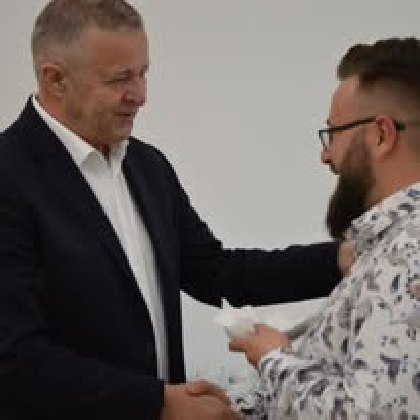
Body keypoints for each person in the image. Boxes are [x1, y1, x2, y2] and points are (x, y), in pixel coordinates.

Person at [0, 1, 345, 419]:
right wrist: (158, 403)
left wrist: (342, 259)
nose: (140, 95)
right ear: (55, 79)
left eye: (143, 73)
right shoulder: (9, 175)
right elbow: (15, 359)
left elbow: (216, 273)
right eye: (119, 79)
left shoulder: (148, 167)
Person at [229, 37, 420, 418]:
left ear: (381, 135)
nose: (325, 155)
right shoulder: (386, 249)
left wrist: (273, 360)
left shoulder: (408, 254)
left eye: (333, 133)